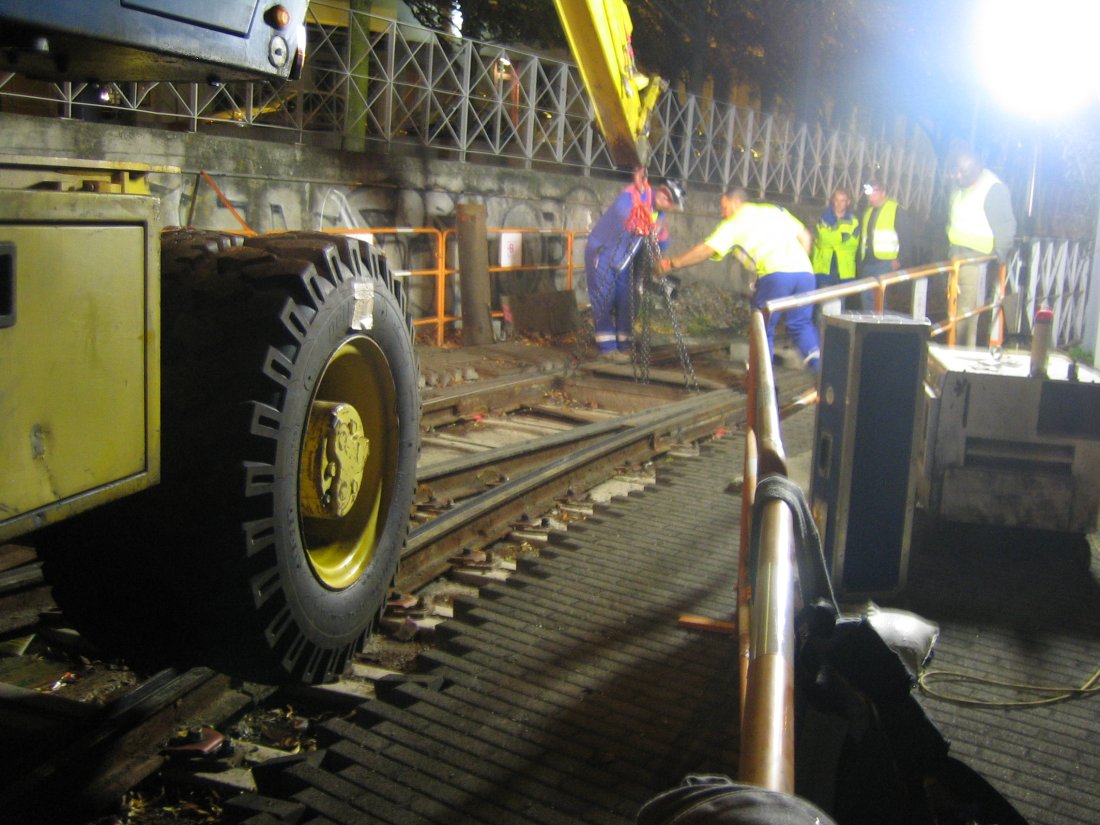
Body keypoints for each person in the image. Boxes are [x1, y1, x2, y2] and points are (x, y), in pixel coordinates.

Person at [659, 186, 820, 373]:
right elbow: (805, 237)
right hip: (806, 274)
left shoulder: (735, 222)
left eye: (724, 206)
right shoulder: (773, 211)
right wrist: (797, 265)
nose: (722, 212)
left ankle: (762, 386)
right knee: (801, 324)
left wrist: (672, 263)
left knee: (761, 328)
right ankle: (821, 376)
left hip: (775, 275)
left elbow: (706, 249)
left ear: (735, 202)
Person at [586, 167, 685, 360]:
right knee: (604, 298)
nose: (664, 198)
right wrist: (646, 221)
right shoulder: (638, 193)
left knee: (627, 299)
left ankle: (625, 344)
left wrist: (661, 257)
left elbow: (662, 242)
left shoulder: (660, 217)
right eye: (664, 192)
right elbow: (623, 211)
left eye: (670, 199)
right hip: (603, 252)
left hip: (623, 260)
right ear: (660, 188)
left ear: (672, 206)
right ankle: (607, 349)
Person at [947, 150, 1017, 346]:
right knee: (955, 310)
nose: (957, 176)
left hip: (977, 261)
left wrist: (998, 259)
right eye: (956, 171)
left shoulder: (993, 189)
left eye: (963, 172)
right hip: (957, 258)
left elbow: (1006, 227)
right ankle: (957, 350)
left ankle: (961, 357)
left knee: (966, 314)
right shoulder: (960, 188)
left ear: (977, 169)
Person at [858, 177, 910, 312]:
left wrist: (900, 260)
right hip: (869, 261)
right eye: (869, 195)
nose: (870, 198)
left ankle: (880, 328)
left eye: (873, 194)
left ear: (883, 192)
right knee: (868, 296)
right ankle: (872, 327)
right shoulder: (868, 212)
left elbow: (906, 237)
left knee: (877, 297)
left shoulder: (896, 210)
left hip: (886, 261)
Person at [811, 186, 859, 318]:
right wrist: (842, 236)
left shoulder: (854, 221)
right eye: (837, 200)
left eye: (843, 200)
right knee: (822, 311)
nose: (839, 203)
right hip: (825, 270)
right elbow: (823, 240)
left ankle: (834, 338)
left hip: (843, 273)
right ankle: (821, 338)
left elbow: (852, 244)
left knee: (839, 312)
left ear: (848, 202)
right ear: (833, 201)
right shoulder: (823, 218)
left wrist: (833, 234)